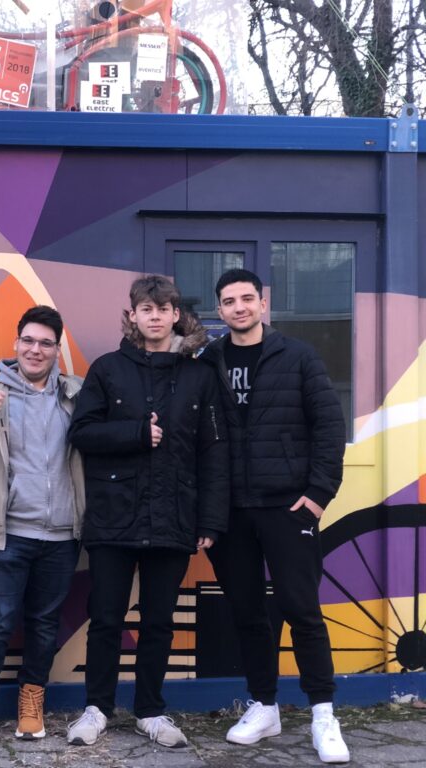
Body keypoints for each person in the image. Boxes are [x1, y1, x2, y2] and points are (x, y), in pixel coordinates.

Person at [66, 275, 228, 749]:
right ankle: (96, 708)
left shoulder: (200, 375)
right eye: (146, 309)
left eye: (163, 309)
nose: (155, 317)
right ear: (132, 315)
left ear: (176, 314)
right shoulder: (107, 369)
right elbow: (82, 433)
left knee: (159, 621)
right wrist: (134, 433)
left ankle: (150, 711)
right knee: (106, 617)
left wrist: (210, 519)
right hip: (113, 515)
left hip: (175, 515)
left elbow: (213, 452)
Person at [201, 268, 349, 764]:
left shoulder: (298, 355)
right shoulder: (209, 360)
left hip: (288, 506)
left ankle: (323, 714)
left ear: (263, 303)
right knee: (247, 613)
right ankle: (264, 706)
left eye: (247, 298)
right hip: (231, 511)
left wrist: (319, 493)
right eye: (229, 301)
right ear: (219, 310)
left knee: (301, 609)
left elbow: (329, 426)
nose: (239, 307)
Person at [0, 305, 86, 745]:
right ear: (16, 343)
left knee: (44, 624)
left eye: (46, 343)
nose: (35, 350)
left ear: (57, 350)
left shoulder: (76, 394)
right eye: (28, 340)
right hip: (7, 533)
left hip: (62, 534)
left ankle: (31, 702)